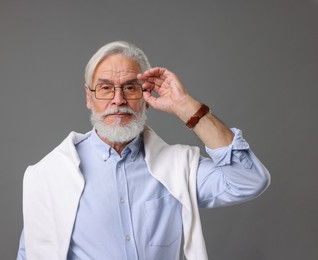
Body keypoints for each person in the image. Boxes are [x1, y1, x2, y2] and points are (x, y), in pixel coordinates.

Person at [16, 41, 270, 260]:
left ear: (146, 95)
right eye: (105, 88)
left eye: (130, 87)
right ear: (88, 96)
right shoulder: (50, 174)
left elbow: (248, 181)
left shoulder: (178, 168)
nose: (118, 100)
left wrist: (185, 106)